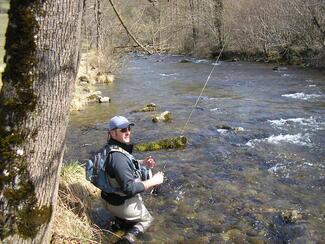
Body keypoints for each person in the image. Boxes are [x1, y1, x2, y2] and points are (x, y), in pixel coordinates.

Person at [101, 115, 164, 243]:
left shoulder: (110, 148)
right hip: (120, 205)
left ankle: (120, 221)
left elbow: (122, 166)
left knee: (144, 173)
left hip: (107, 199)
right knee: (148, 220)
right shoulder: (118, 158)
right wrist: (154, 181)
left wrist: (142, 162)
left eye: (129, 128)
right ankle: (128, 238)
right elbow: (129, 189)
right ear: (113, 132)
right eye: (123, 130)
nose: (128, 132)